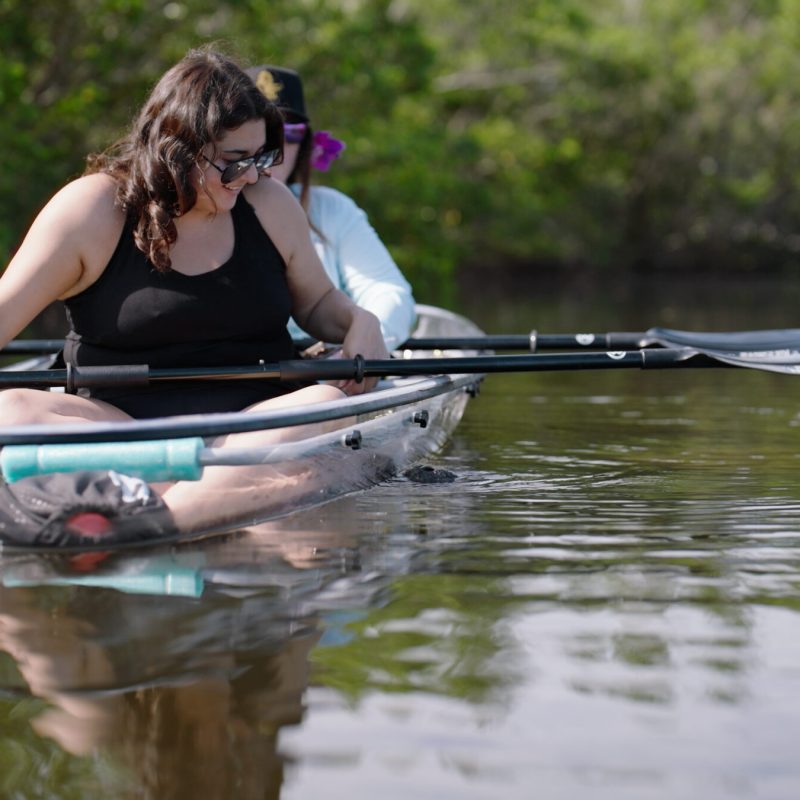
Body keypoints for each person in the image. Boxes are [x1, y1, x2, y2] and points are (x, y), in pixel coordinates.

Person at [0, 48, 389, 538]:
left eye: (262, 157)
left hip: (252, 425)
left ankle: (150, 518)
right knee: (10, 409)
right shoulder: (91, 209)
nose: (251, 175)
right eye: (233, 161)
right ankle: (217, 497)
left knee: (319, 404)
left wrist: (361, 321)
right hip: (119, 426)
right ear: (176, 147)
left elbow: (315, 304)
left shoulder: (269, 203)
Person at [246, 65, 416, 350]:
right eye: (263, 129)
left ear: (305, 144)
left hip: (328, 366)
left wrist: (368, 339)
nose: (274, 148)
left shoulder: (333, 210)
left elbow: (385, 289)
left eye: (290, 134)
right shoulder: (196, 212)